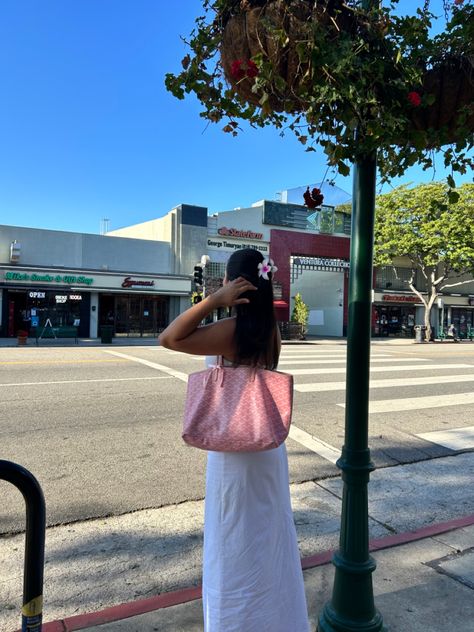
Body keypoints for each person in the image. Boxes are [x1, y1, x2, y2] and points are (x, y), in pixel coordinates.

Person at [158, 248, 309, 632]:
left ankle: (237, 623)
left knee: (234, 543)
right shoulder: (268, 330)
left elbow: (170, 338)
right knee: (267, 537)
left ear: (234, 284)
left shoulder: (232, 332)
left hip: (234, 452)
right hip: (265, 449)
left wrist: (211, 302)